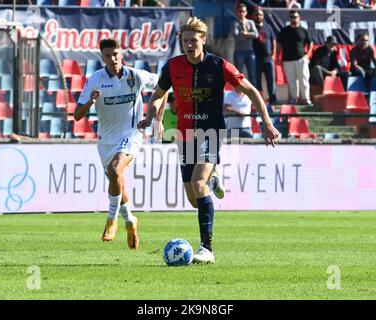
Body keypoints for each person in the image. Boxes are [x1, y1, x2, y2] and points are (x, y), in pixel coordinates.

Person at [138, 17, 279, 264]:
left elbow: (252, 91)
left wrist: (266, 123)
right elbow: (159, 95)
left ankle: (207, 249)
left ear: (203, 40)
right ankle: (213, 176)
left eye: (194, 40)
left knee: (199, 183)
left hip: (211, 132)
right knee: (194, 198)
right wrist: (150, 116)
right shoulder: (172, 66)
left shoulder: (219, 65)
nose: (189, 45)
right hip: (183, 135)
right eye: (185, 41)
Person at [74, 38, 164, 250]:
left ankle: (111, 219)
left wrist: (154, 117)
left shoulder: (135, 75)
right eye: (107, 55)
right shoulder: (96, 80)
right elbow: (77, 115)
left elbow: (163, 85)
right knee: (117, 181)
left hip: (131, 136)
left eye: (115, 54)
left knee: (115, 170)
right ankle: (130, 221)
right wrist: (90, 101)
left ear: (121, 54)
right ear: (102, 57)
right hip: (105, 141)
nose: (112, 59)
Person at [276, 10, 313, 105]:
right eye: (291, 17)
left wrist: (307, 55)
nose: (293, 19)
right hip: (287, 60)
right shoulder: (284, 31)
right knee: (291, 81)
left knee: (303, 79)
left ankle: (306, 98)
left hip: (301, 59)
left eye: (295, 17)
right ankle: (293, 98)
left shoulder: (303, 30)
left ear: (299, 18)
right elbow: (279, 44)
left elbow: (310, 43)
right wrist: (278, 56)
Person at [252, 7, 277, 104]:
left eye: (260, 14)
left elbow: (273, 40)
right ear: (254, 16)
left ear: (263, 16)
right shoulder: (252, 27)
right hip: (256, 59)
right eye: (257, 14)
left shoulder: (268, 26)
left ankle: (272, 98)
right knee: (257, 81)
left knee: (271, 80)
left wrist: (274, 53)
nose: (259, 16)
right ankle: (260, 99)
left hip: (268, 58)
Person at [231, 3, 258, 88]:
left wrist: (245, 34)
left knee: (252, 75)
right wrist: (248, 36)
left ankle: (254, 97)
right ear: (237, 12)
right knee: (238, 75)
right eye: (240, 11)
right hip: (239, 52)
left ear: (246, 12)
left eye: (243, 11)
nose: (241, 13)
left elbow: (256, 34)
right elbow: (235, 37)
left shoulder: (250, 22)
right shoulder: (234, 23)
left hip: (250, 52)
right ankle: (239, 94)